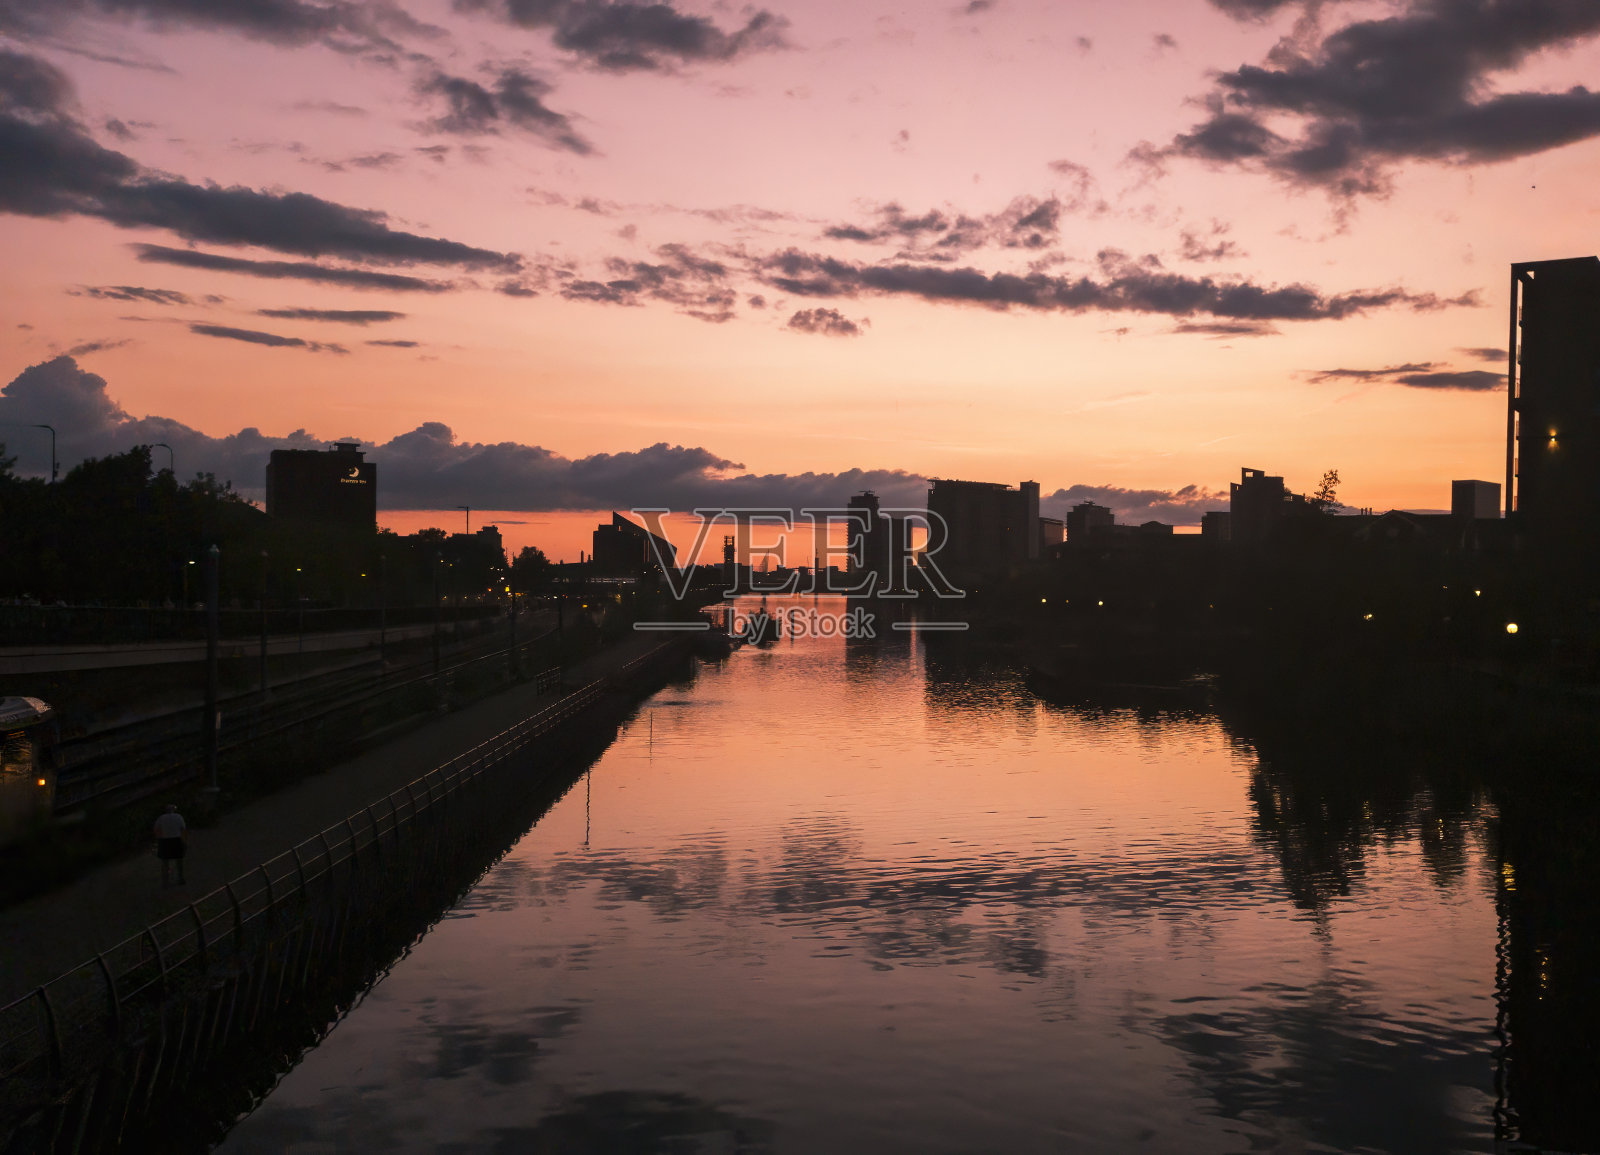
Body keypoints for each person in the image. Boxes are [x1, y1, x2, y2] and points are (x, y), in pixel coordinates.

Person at [153, 804, 187, 886]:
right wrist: (184, 841)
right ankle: (180, 878)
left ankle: (165, 881)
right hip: (176, 840)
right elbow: (183, 829)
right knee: (179, 861)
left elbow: (156, 829)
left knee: (165, 862)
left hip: (165, 841)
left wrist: (159, 840)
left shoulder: (161, 818)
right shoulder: (179, 817)